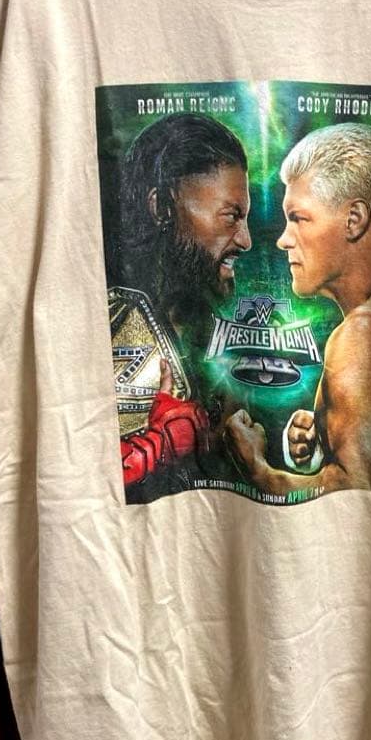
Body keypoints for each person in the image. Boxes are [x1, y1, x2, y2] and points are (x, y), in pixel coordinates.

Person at [223, 122, 371, 497]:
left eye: (298, 218)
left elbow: (357, 493)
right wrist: (329, 435)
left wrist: (259, 471)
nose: (283, 239)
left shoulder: (360, 336)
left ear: (353, 220)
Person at [111, 114, 252, 492]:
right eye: (231, 216)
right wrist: (159, 445)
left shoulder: (214, 332)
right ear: (163, 208)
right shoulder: (115, 323)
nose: (246, 240)